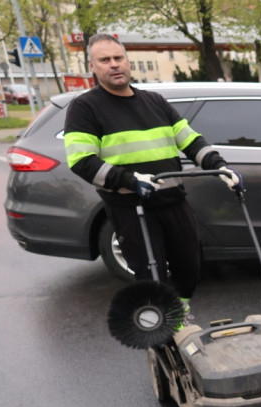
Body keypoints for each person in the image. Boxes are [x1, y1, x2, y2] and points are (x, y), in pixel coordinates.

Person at [64, 34, 241, 327]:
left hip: (172, 199)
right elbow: (81, 161)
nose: (114, 65)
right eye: (105, 60)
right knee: (150, 275)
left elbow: (190, 140)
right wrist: (130, 180)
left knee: (189, 266)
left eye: (118, 58)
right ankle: (159, 329)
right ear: (92, 67)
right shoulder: (85, 108)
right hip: (130, 207)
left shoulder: (155, 102)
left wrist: (220, 167)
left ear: (127, 60)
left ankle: (177, 315)